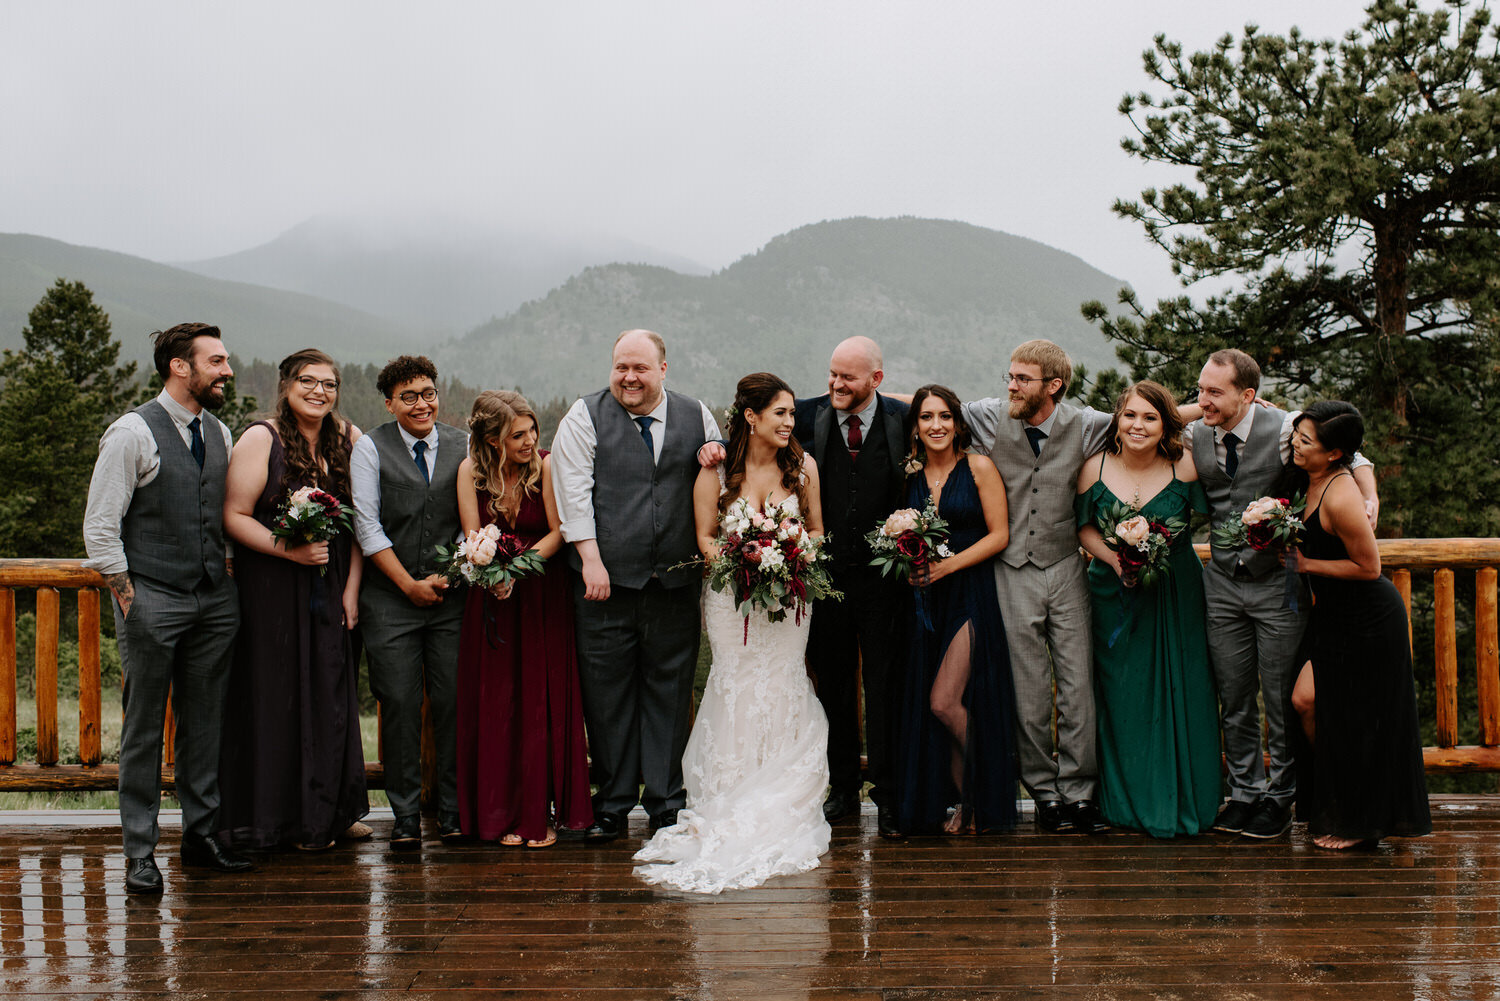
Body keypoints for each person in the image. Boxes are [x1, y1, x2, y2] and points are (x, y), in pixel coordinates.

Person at [635, 372, 831, 891]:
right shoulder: (717, 473)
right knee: (737, 681)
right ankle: (733, 792)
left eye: (793, 414)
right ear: (751, 417)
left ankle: (783, 791)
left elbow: (815, 531)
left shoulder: (804, 468)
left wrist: (789, 559)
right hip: (730, 600)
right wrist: (744, 559)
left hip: (790, 601)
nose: (791, 422)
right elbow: (704, 537)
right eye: (780, 414)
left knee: (783, 679)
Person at [82, 322, 252, 893]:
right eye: (218, 361)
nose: (227, 371)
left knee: (205, 725)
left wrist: (223, 574)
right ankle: (139, 853)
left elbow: (219, 513)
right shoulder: (132, 432)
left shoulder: (220, 432)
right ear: (181, 366)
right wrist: (131, 599)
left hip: (213, 602)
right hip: (151, 599)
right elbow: (101, 528)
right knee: (143, 728)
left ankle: (200, 839)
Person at [1191, 349, 1378, 840]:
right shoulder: (1196, 435)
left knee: (1278, 697)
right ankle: (1245, 792)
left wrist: (1370, 494)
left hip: (1278, 587)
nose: (1202, 400)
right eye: (1200, 389)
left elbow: (1353, 452)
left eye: (1214, 392)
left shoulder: (1284, 429)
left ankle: (1281, 797)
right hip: (1222, 587)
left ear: (1247, 396)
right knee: (1233, 697)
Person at [551, 329, 722, 841]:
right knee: (607, 697)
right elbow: (572, 494)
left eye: (640, 368)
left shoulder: (698, 415)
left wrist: (717, 454)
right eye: (620, 367)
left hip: (674, 582)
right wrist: (591, 560)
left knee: (670, 693)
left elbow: (720, 479)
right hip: (605, 585)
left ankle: (667, 802)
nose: (628, 377)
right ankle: (614, 803)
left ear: (663, 370)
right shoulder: (583, 417)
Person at [959, 339, 1117, 834]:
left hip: (1067, 564)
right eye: (1009, 376)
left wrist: (1227, 405)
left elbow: (1149, 414)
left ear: (1053, 385)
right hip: (1010, 569)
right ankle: (1044, 794)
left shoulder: (1086, 423)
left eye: (1022, 379)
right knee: (1027, 690)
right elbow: (926, 406)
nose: (1010, 385)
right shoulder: (989, 416)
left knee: (1077, 685)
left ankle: (1080, 792)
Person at [217, 349, 370, 852]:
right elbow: (236, 516)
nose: (319, 392)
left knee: (330, 694)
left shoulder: (349, 438)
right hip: (273, 588)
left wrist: (351, 588)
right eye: (309, 381)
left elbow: (365, 522)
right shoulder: (262, 438)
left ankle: (333, 811)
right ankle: (279, 817)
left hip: (334, 584)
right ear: (286, 385)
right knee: (277, 693)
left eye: (329, 384)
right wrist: (291, 550)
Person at [1074, 381, 1220, 838]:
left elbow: (1216, 515)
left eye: (1150, 417)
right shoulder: (1092, 468)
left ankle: (1187, 796)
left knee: (1186, 688)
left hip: (1176, 590)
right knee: (1123, 694)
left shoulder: (1185, 466)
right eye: (1130, 415)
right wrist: (1116, 559)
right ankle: (1125, 799)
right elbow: (1083, 530)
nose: (1138, 425)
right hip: (1112, 592)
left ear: (1166, 426)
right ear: (1117, 419)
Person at [1285, 402, 1431, 849]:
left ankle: (1357, 822)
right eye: (1297, 433)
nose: (1295, 442)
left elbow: (1371, 568)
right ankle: (1342, 804)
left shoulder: (1343, 496)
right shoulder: (1312, 476)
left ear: (1333, 453)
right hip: (1332, 613)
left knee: (1355, 718)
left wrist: (1307, 563)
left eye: (1306, 440)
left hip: (1367, 617)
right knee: (1306, 702)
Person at [454, 391, 592, 847]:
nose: (531, 440)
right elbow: (474, 537)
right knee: (498, 705)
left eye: (533, 430)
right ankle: (499, 813)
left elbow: (559, 531)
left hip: (540, 597)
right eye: (518, 434)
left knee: (537, 705)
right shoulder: (469, 474)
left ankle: (539, 816)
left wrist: (514, 570)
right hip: (490, 602)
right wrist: (489, 572)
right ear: (492, 440)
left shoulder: (546, 466)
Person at [792, 336, 909, 839]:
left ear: (876, 380)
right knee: (834, 686)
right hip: (827, 581)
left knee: (886, 686)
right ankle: (841, 787)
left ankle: (886, 790)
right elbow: (747, 442)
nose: (836, 385)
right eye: (832, 374)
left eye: (848, 377)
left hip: (886, 584)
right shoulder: (801, 416)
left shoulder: (906, 420)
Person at [350, 355, 466, 849]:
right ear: (389, 403)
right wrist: (408, 585)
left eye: (429, 393)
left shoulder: (464, 445)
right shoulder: (371, 448)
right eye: (410, 397)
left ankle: (455, 809)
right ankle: (403, 814)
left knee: (453, 701)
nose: (422, 404)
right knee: (397, 703)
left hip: (453, 595)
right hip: (389, 601)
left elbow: (472, 521)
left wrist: (449, 573)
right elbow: (366, 524)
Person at [893, 385, 1018, 836]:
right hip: (925, 602)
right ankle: (964, 805)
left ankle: (987, 792)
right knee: (941, 710)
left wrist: (946, 568)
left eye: (944, 416)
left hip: (970, 593)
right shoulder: (910, 478)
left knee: (945, 702)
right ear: (915, 427)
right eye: (926, 417)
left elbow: (999, 535)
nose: (936, 425)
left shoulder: (979, 468)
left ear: (957, 421)